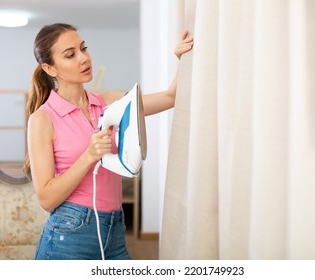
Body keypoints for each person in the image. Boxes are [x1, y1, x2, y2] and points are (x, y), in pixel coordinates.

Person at [23, 23, 193, 260]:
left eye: (84, 48)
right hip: (70, 234)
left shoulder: (108, 102)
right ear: (50, 68)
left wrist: (183, 59)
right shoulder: (42, 119)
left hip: (114, 228)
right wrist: (89, 156)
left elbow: (170, 97)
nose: (84, 58)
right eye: (71, 55)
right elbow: (47, 198)